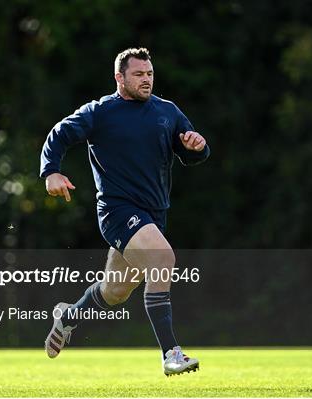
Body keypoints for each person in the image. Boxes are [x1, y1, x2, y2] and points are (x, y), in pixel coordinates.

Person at [39, 47, 209, 376]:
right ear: (120, 78)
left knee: (115, 291)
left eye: (149, 74)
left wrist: (196, 147)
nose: (146, 80)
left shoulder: (167, 111)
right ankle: (170, 353)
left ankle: (68, 318)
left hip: (153, 214)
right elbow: (58, 135)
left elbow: (191, 153)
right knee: (163, 258)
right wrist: (51, 172)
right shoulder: (100, 112)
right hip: (117, 211)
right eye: (138, 75)